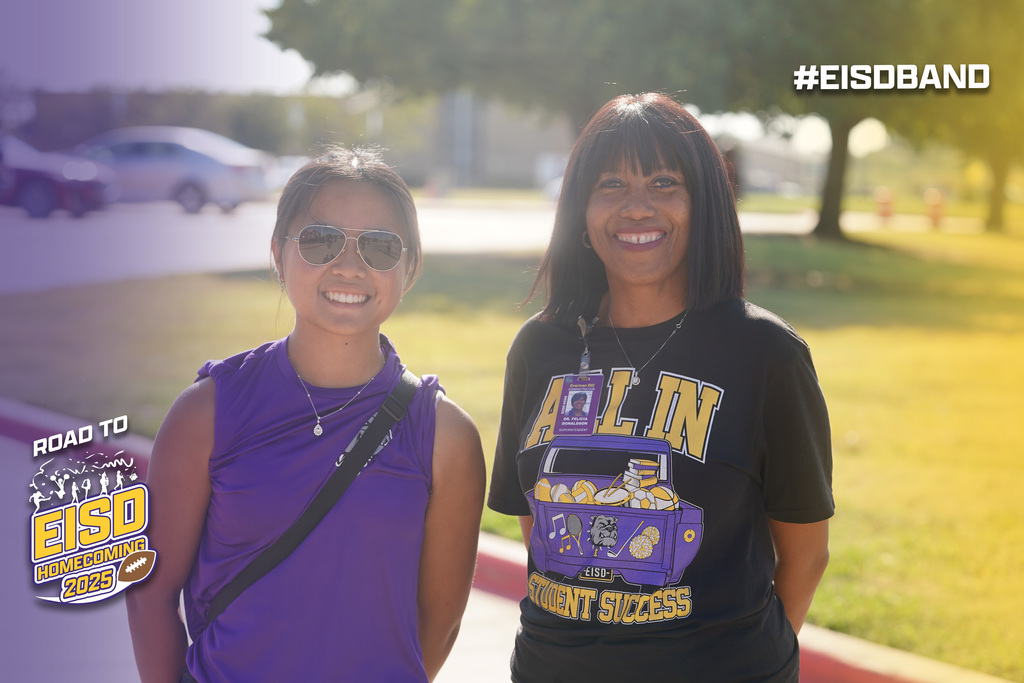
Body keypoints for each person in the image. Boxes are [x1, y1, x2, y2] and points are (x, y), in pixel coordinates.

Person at [488, 93, 833, 682]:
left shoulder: (765, 354)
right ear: (581, 212)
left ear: (705, 205)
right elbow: (539, 524)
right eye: (611, 185)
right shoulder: (540, 348)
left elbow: (805, 552)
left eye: (664, 183)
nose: (637, 208)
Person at [127, 146, 486, 682]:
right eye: (320, 241)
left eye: (381, 247)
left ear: (409, 267)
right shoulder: (207, 413)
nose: (349, 265)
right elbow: (150, 596)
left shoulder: (446, 439)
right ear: (278, 253)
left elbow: (439, 624)